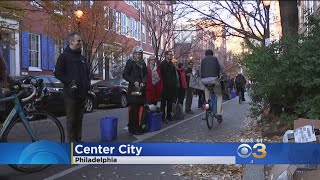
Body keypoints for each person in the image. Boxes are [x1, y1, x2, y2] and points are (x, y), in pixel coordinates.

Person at [54, 32, 91, 142]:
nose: (80, 43)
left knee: (79, 119)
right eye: (78, 41)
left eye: (80, 41)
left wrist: (87, 84)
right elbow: (57, 73)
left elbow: (87, 73)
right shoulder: (64, 56)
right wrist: (70, 82)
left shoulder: (82, 58)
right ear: (71, 42)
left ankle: (78, 141)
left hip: (82, 93)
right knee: (71, 120)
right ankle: (71, 143)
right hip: (70, 94)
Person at [123, 46, 148, 135]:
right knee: (134, 108)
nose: (138, 56)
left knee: (140, 108)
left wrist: (143, 82)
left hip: (141, 89)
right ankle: (133, 128)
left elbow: (146, 75)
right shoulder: (130, 62)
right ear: (134, 54)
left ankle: (138, 126)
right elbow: (125, 74)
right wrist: (134, 81)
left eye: (139, 54)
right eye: (136, 54)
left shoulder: (143, 63)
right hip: (133, 89)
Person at [200, 49, 227, 123]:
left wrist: (201, 79)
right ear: (212, 54)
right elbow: (222, 69)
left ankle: (207, 108)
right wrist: (225, 77)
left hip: (204, 80)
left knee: (207, 97)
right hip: (214, 80)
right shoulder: (215, 59)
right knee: (219, 96)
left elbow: (199, 70)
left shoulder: (202, 60)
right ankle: (219, 114)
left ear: (205, 54)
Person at [159, 50, 177, 123]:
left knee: (170, 102)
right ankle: (162, 117)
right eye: (169, 55)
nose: (170, 56)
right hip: (164, 87)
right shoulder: (162, 64)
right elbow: (160, 76)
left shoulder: (172, 65)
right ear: (166, 55)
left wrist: (175, 84)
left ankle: (169, 116)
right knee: (163, 103)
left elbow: (174, 76)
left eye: (171, 55)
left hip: (171, 87)